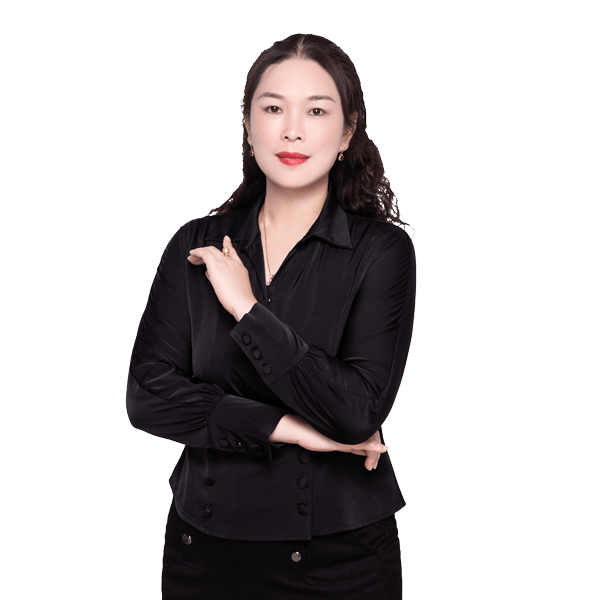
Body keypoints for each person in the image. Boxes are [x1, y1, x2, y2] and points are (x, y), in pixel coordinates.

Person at [126, 33, 415, 600]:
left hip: (339, 561)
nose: (292, 131)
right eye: (274, 108)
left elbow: (356, 411)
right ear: (248, 125)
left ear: (347, 132)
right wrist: (294, 430)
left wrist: (246, 308)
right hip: (199, 552)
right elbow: (147, 396)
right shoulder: (196, 244)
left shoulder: (381, 252)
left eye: (316, 111)